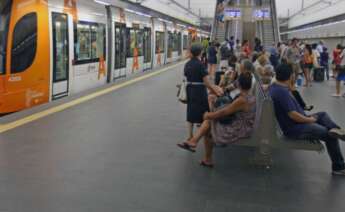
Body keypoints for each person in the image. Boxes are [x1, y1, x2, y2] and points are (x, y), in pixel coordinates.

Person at [269, 63, 345, 175]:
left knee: (322, 115)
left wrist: (290, 87)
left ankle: (337, 130)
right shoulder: (282, 93)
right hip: (295, 128)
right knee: (329, 135)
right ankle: (338, 167)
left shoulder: (276, 87)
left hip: (298, 122)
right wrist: (309, 120)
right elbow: (293, 115)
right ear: (290, 76)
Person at [177, 72, 256, 167]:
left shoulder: (242, 100)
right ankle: (195, 143)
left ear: (239, 84)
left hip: (240, 128)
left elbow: (224, 112)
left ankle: (200, 149)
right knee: (209, 122)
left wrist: (208, 115)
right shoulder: (249, 95)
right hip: (241, 122)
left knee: (208, 125)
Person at [184, 44, 223, 140]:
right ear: (200, 53)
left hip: (190, 90)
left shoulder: (187, 64)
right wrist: (216, 91)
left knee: (190, 111)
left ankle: (190, 135)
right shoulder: (200, 64)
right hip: (199, 91)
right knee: (204, 111)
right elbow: (207, 83)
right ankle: (204, 133)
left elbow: (186, 76)